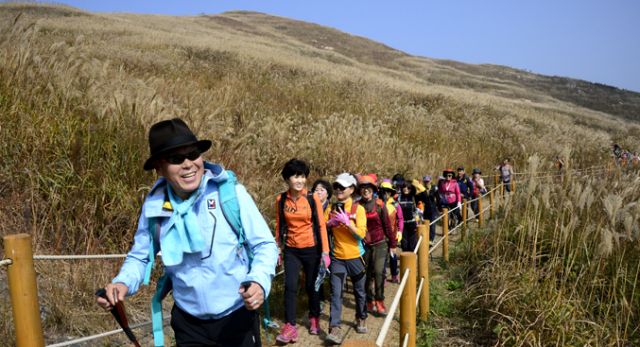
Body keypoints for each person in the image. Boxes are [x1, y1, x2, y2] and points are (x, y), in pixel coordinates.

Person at [96, 118, 278, 347]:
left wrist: (259, 282)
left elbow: (265, 245)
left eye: (193, 154)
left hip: (236, 317)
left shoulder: (232, 195)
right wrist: (121, 284)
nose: (188, 164)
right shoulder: (155, 208)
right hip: (187, 324)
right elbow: (140, 256)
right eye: (175, 159)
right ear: (159, 169)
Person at [275, 159, 330, 341]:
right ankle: (290, 326)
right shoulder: (281, 199)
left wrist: (325, 252)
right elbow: (280, 226)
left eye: (303, 177)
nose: (300, 180)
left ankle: (314, 318)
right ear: (287, 179)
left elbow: (321, 226)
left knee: (311, 286)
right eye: (295, 176)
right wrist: (277, 248)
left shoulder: (311, 198)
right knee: (290, 287)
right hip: (291, 249)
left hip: (311, 249)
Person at [324, 173, 368, 344]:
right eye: (336, 187)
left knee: (360, 292)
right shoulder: (330, 209)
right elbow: (323, 229)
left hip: (356, 258)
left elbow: (362, 234)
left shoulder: (358, 209)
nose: (338, 190)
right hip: (338, 259)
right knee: (336, 293)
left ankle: (361, 317)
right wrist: (329, 224)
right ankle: (334, 328)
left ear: (351, 190)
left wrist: (348, 223)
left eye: (342, 187)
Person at [355, 175, 396, 315]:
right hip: (363, 245)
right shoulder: (357, 206)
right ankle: (369, 300)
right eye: (363, 188)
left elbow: (387, 226)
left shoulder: (380, 205)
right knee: (365, 273)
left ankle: (380, 300)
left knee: (379, 272)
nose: (366, 191)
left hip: (380, 243)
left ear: (373, 189)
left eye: (368, 188)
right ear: (359, 190)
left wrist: (393, 244)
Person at [311, 179, 333, 311]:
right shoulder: (309, 206)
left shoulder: (331, 208)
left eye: (322, 190)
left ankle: (334, 294)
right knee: (315, 274)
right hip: (313, 245)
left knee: (331, 272)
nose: (318, 192)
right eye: (316, 190)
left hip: (329, 245)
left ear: (328, 193)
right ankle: (319, 299)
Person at [379, 179, 404, 283]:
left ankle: (394, 274)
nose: (386, 193)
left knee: (393, 257)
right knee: (382, 258)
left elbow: (401, 218)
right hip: (381, 236)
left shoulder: (395, 204)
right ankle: (383, 277)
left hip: (393, 235)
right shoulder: (377, 204)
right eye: (384, 191)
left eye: (388, 191)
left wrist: (400, 231)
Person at [397, 181, 419, 252]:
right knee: (404, 245)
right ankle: (406, 261)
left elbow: (425, 196)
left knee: (411, 245)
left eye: (408, 187)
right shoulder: (398, 198)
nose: (406, 189)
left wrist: (418, 185)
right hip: (402, 225)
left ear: (411, 189)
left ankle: (412, 261)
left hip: (412, 224)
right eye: (404, 187)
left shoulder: (414, 198)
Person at [419, 175, 438, 245]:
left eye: (428, 181)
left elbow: (438, 198)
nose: (426, 182)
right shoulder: (422, 189)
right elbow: (420, 198)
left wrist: (439, 208)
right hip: (425, 208)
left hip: (433, 207)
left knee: (432, 223)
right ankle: (427, 237)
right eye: (425, 181)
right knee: (426, 223)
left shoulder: (434, 188)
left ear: (431, 181)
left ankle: (431, 239)